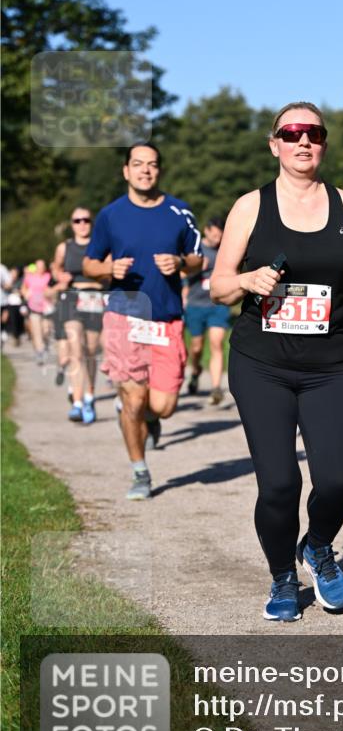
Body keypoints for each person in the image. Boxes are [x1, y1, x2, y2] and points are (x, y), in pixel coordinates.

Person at [211, 101, 343, 622]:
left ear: (324, 143)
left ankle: (318, 547)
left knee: (340, 480)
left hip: (327, 366)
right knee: (280, 483)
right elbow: (217, 284)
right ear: (274, 143)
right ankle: (283, 575)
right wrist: (245, 280)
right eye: (292, 133)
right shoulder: (250, 207)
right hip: (262, 364)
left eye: (315, 133)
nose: (304, 142)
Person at [83, 143, 202, 500]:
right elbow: (89, 263)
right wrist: (107, 269)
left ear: (159, 171)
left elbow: (198, 258)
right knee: (132, 398)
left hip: (166, 318)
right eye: (138, 164)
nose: (145, 171)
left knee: (163, 405)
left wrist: (181, 264)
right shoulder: (110, 215)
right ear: (126, 171)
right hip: (124, 314)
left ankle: (151, 420)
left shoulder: (179, 211)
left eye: (151, 165)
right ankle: (140, 471)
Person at [51, 207, 106, 424]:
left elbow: (110, 269)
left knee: (90, 351)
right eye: (77, 221)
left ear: (91, 223)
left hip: (95, 297)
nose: (82, 224)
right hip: (72, 298)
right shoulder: (64, 247)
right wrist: (60, 276)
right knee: (76, 349)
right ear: (71, 224)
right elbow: (55, 267)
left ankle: (90, 396)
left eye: (86, 220)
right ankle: (77, 402)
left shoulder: (100, 246)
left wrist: (105, 276)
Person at [183, 216, 232, 405]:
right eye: (215, 235)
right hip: (196, 305)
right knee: (196, 347)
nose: (218, 239)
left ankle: (216, 388)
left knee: (217, 343)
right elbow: (179, 272)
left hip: (217, 306)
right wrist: (194, 268)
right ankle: (195, 371)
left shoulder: (226, 250)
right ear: (207, 230)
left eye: (221, 236)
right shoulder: (196, 250)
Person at [21, 260, 52, 365]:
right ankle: (40, 352)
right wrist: (26, 294)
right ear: (36, 267)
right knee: (36, 331)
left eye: (42, 266)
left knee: (46, 330)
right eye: (39, 266)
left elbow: (53, 289)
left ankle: (45, 345)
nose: (40, 268)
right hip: (33, 307)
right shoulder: (29, 277)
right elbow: (23, 289)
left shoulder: (48, 276)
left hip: (46, 308)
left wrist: (49, 292)